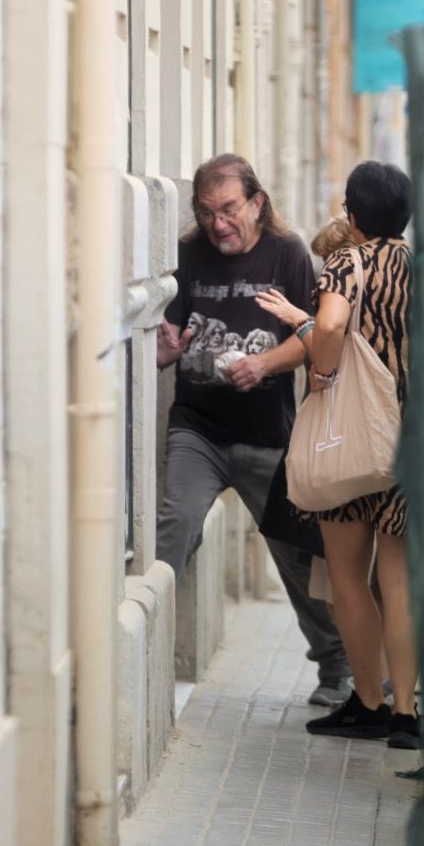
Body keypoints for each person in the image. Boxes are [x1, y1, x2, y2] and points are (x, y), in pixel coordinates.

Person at [156, 153, 351, 706]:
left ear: (256, 202)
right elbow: (168, 332)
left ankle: (335, 667)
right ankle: (145, 658)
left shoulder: (287, 252)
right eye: (208, 211)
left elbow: (314, 335)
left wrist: (264, 365)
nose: (219, 223)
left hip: (268, 434)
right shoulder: (189, 252)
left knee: (297, 553)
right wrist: (164, 351)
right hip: (199, 427)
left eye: (230, 209)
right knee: (175, 524)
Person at [255, 160, 420, 749]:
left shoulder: (348, 262)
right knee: (398, 580)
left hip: (352, 438)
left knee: (349, 576)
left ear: (352, 214)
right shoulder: (420, 267)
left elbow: (330, 323)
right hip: (409, 441)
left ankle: (369, 701)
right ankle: (406, 713)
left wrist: (322, 369)